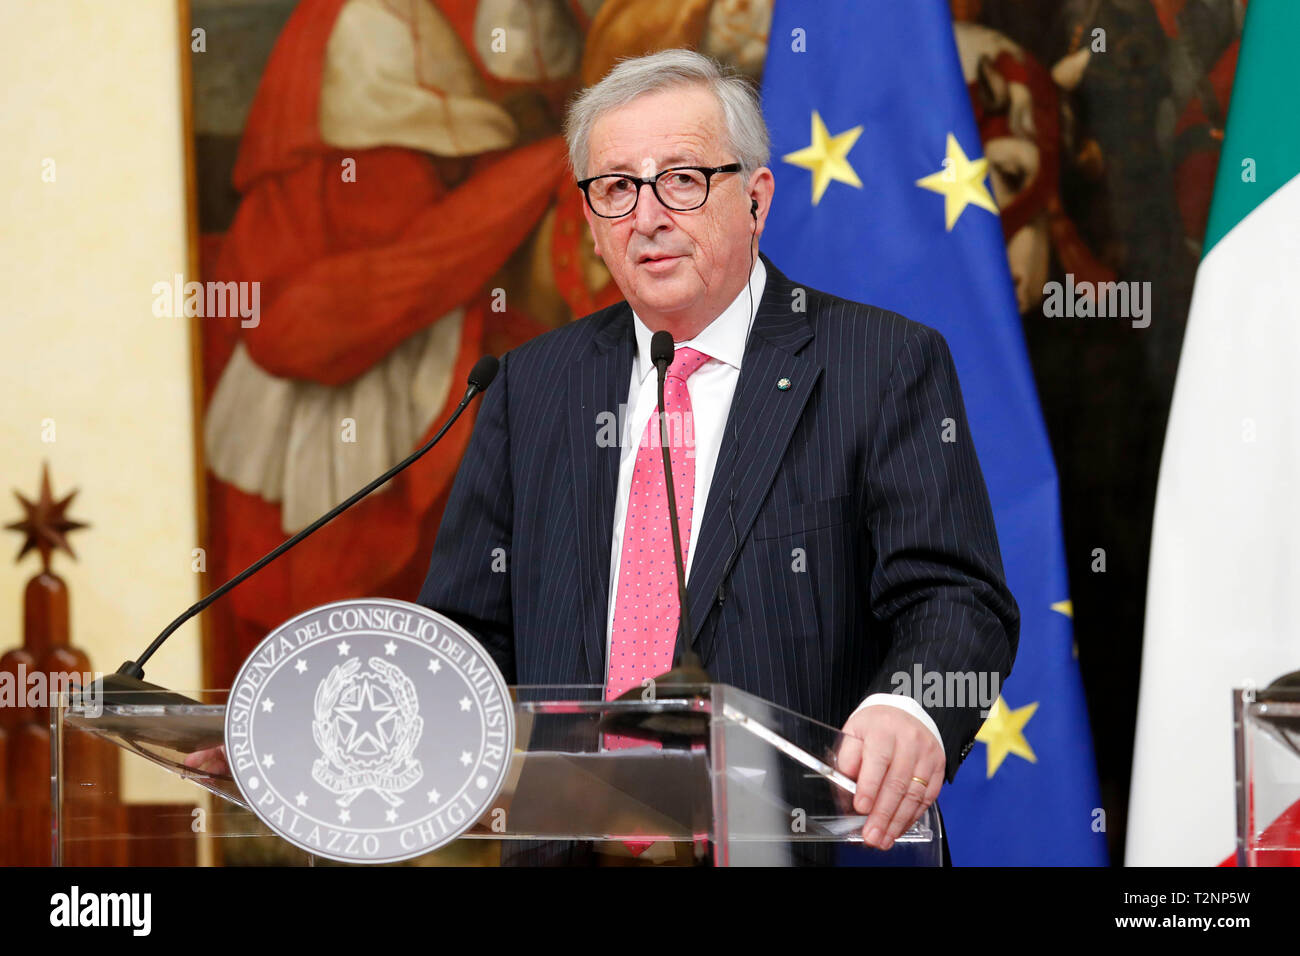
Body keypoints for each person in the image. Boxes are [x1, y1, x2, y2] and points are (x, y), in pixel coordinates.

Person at [418, 48, 1019, 859]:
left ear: (757, 200)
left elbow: (956, 600)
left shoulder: (879, 364)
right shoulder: (530, 387)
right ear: (592, 221)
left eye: (684, 179)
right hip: (574, 851)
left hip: (808, 846)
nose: (649, 214)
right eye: (617, 187)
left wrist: (910, 711)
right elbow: (466, 632)